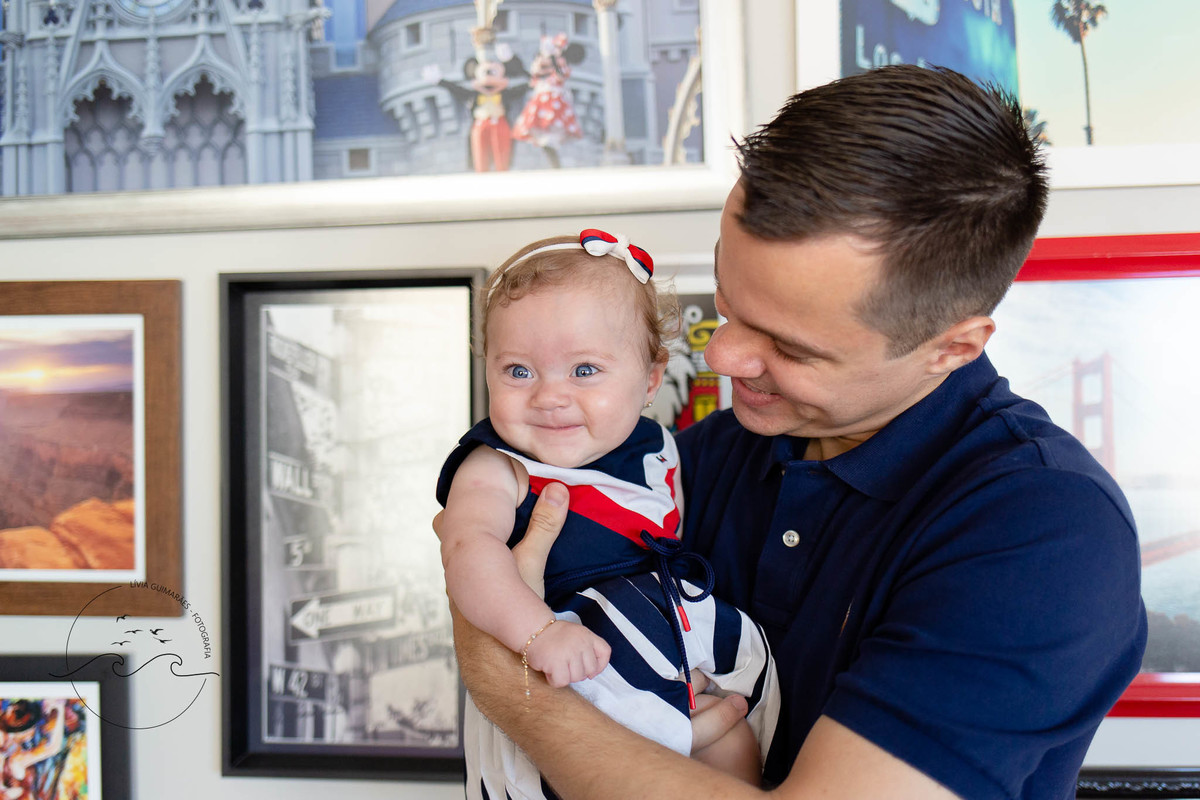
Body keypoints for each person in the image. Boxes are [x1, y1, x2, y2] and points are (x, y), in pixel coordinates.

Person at [447, 65, 1148, 799]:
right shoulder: (707, 455)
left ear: (952, 348)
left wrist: (503, 673)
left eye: (790, 347)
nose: (721, 355)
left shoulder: (1046, 531)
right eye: (726, 297)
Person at [436, 229, 779, 800]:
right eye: (518, 371)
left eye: (585, 370)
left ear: (649, 379)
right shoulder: (497, 467)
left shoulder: (660, 449)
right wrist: (539, 633)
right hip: (569, 667)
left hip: (666, 655)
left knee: (736, 743)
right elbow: (467, 554)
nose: (549, 396)